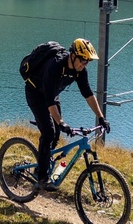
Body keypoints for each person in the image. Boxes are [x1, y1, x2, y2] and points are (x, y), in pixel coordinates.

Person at [24, 37, 110, 191]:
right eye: (82, 61)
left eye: (87, 62)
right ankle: (41, 175)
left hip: (51, 94)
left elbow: (88, 95)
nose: (84, 65)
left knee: (56, 133)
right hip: (36, 93)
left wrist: (101, 118)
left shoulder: (80, 71)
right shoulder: (55, 66)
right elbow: (49, 101)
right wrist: (62, 122)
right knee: (49, 132)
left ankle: (44, 159)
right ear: (73, 55)